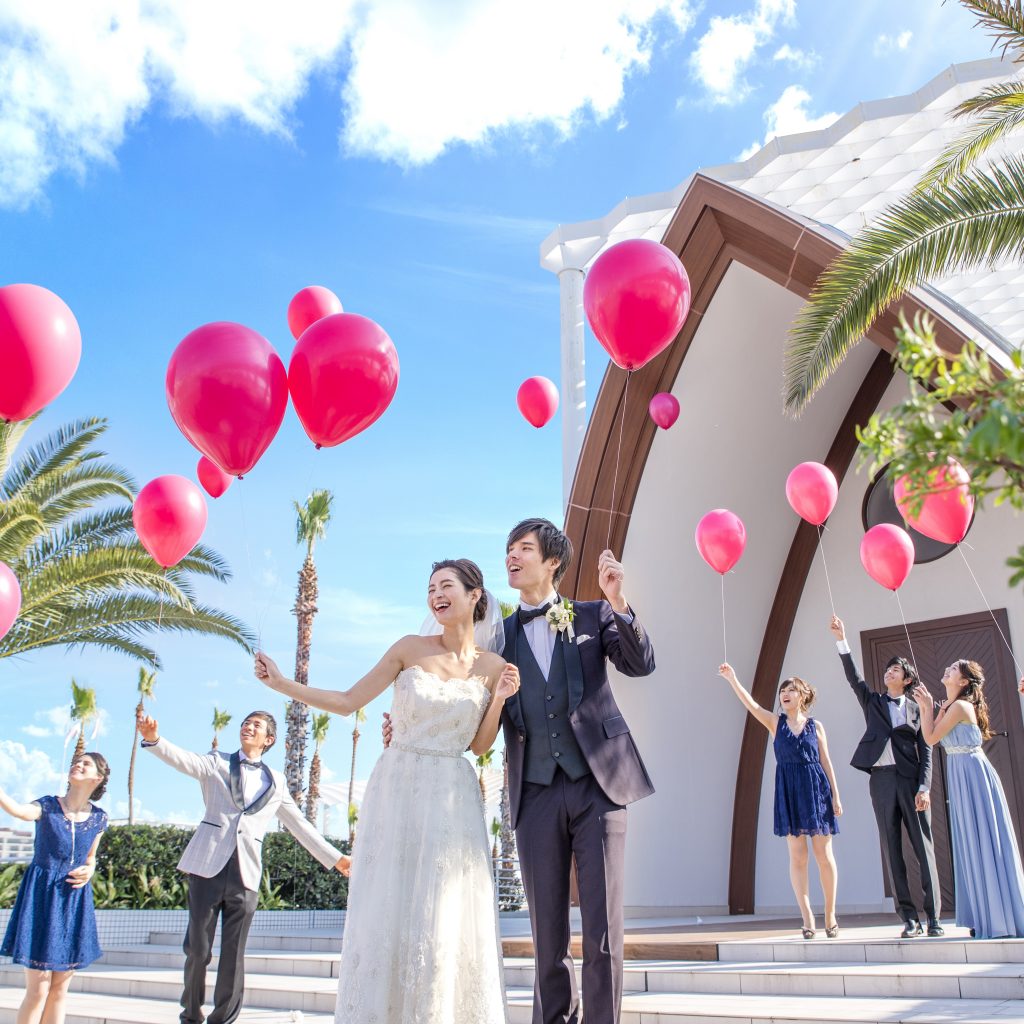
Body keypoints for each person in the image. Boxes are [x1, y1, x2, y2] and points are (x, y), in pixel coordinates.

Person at [255, 558, 520, 1024]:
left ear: (475, 595)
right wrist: (281, 684)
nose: (436, 595)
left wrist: (498, 698)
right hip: (397, 786)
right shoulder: (408, 648)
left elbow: (479, 747)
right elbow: (347, 702)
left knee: (444, 910)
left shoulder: (494, 666)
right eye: (431, 588)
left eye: (447, 586)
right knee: (388, 905)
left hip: (453, 796)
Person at [498, 518, 655, 1024]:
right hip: (534, 791)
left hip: (599, 786)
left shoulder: (593, 614)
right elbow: (473, 704)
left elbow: (640, 663)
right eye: (509, 549)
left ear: (552, 562)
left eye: (524, 548)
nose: (512, 557)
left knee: (602, 928)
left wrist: (619, 600)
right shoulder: (498, 636)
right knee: (546, 933)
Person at [137, 709, 348, 1024]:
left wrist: (337, 858)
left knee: (234, 955)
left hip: (245, 874)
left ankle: (223, 1019)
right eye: (246, 722)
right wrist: (155, 739)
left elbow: (300, 825)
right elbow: (184, 760)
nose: (248, 726)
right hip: (207, 867)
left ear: (269, 739)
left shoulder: (276, 781)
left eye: (256, 725)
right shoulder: (217, 761)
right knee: (197, 949)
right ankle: (191, 1015)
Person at [829, 615, 942, 937]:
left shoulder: (918, 709)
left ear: (907, 679)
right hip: (881, 780)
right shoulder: (874, 702)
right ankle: (909, 918)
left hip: (910, 781)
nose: (888, 672)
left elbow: (927, 751)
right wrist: (841, 639)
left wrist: (924, 787)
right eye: (887, 669)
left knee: (923, 848)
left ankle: (933, 918)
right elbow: (854, 678)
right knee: (892, 848)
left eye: (895, 670)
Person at [717, 665, 841, 938]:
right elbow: (751, 705)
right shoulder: (776, 723)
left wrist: (836, 795)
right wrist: (733, 679)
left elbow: (826, 761)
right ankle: (807, 917)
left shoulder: (816, 726)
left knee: (824, 855)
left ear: (802, 695)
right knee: (798, 857)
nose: (785, 693)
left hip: (816, 790)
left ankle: (830, 913)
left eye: (791, 689)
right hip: (789, 791)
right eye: (782, 690)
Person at [910, 660, 1024, 938]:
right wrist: (929, 708)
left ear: (963, 682)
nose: (947, 670)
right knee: (972, 840)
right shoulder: (950, 706)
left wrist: (926, 707)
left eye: (953, 669)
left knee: (984, 838)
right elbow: (930, 737)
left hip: (973, 773)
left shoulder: (960, 706)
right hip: (960, 773)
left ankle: (998, 916)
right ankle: (985, 914)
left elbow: (931, 737)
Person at [0, 751, 110, 1024]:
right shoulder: (47, 806)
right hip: (41, 898)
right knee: (38, 990)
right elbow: (18, 810)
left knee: (59, 990)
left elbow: (91, 857)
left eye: (86, 763)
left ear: (98, 778)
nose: (78, 764)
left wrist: (90, 869)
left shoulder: (99, 818)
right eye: (77, 761)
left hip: (73, 902)